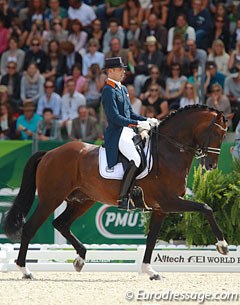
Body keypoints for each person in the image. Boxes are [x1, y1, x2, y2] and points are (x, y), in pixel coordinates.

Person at [101, 57, 158, 210]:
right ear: (110, 71)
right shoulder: (108, 90)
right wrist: (138, 124)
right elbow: (114, 118)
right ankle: (123, 197)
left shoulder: (123, 89)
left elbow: (130, 113)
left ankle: (138, 192)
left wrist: (148, 119)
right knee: (135, 158)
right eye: (120, 69)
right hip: (117, 132)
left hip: (127, 130)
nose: (123, 72)